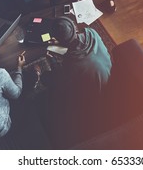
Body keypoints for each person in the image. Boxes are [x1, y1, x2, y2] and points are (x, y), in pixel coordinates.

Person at [47, 16, 112, 147]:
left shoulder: (71, 63)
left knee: (48, 79)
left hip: (95, 95)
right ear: (75, 27)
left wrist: (53, 60)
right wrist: (61, 45)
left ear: (60, 42)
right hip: (110, 74)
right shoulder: (92, 32)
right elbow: (74, 49)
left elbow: (65, 79)